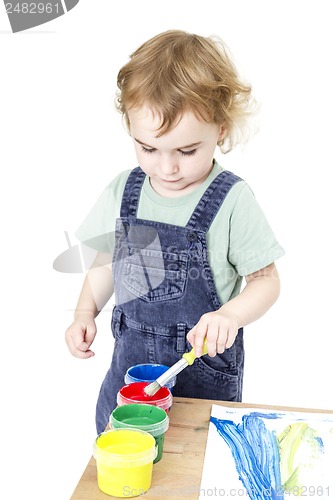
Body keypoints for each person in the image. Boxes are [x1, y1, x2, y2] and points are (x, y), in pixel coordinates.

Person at [65, 30, 285, 434]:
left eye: (187, 151)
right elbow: (105, 263)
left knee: (193, 466)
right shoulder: (124, 190)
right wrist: (85, 311)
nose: (166, 168)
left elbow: (267, 281)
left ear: (220, 128)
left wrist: (230, 315)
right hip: (130, 377)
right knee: (127, 463)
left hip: (202, 374)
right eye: (149, 149)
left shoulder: (232, 200)